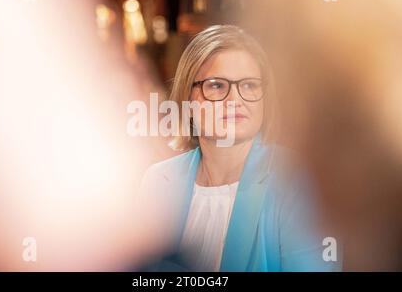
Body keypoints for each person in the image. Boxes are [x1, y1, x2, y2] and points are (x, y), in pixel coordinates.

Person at [138, 25, 340, 272]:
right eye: (216, 85)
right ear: (187, 98)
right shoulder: (158, 180)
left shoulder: (297, 178)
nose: (235, 100)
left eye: (249, 85)